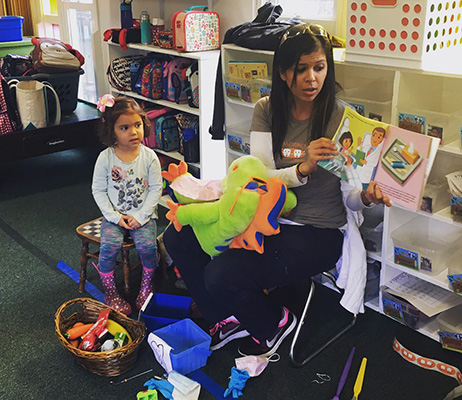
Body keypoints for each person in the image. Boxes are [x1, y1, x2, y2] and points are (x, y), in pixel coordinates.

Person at [164, 23, 391, 357]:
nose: (312, 78)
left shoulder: (341, 118)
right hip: (267, 216)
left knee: (219, 274)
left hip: (318, 231)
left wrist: (368, 198)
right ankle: (226, 317)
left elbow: (350, 194)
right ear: (284, 73)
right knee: (177, 236)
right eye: (301, 69)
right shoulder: (267, 109)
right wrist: (303, 169)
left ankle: (273, 324)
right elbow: (259, 177)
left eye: (319, 67)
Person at [92, 95, 163, 315]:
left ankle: (146, 286)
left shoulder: (149, 156)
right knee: (108, 248)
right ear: (112, 131)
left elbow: (156, 189)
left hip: (143, 217)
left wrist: (141, 216)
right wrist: (114, 217)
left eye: (137, 125)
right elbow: (98, 190)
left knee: (147, 248)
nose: (133, 131)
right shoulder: (105, 158)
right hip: (115, 218)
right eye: (124, 127)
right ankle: (111, 292)